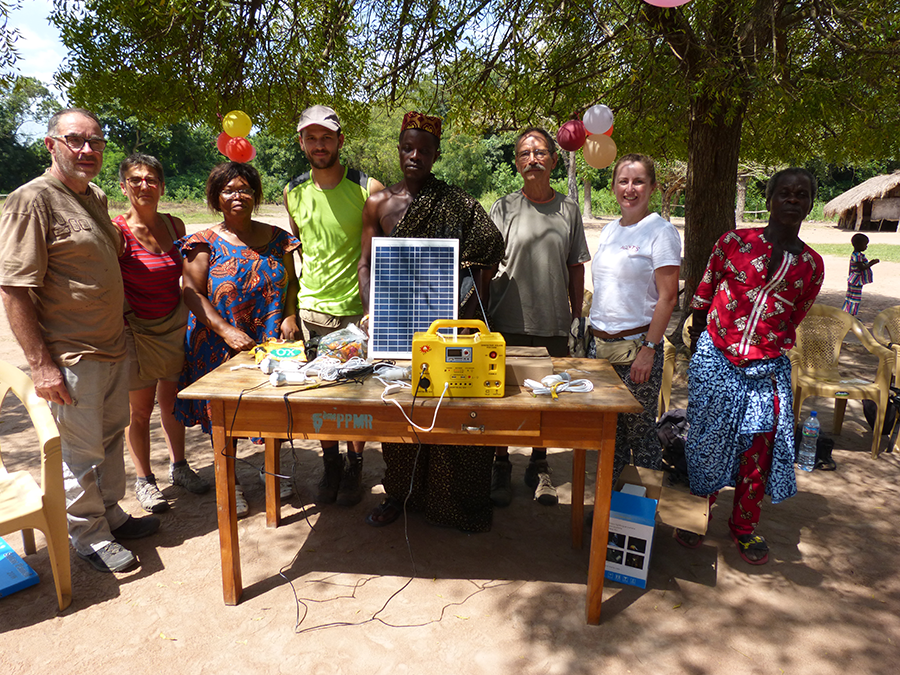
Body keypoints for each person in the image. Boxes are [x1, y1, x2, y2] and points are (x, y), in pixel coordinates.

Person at [0, 108, 160, 574]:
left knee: (110, 439)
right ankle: (88, 535)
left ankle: (109, 512)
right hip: (71, 356)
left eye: (95, 141)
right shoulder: (32, 201)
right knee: (78, 450)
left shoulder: (94, 196)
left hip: (112, 346)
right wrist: (41, 365)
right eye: (75, 140)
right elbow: (14, 287)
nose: (87, 150)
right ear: (52, 145)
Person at [358, 111, 505, 531]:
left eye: (424, 150)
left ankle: (453, 502)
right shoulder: (379, 203)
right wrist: (374, 310)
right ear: (398, 149)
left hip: (446, 327)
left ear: (436, 154)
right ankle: (400, 495)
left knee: (450, 411)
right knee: (401, 412)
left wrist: (464, 305)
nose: (415, 156)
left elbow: (489, 247)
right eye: (408, 147)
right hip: (397, 327)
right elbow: (366, 264)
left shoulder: (456, 202)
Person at [678, 168, 824, 565]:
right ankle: (694, 518)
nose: (793, 200)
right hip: (716, 359)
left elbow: (793, 318)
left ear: (810, 202)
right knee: (706, 443)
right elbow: (703, 294)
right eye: (785, 193)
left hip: (767, 371)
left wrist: (762, 348)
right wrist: (701, 353)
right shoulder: (734, 242)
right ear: (770, 197)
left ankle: (743, 526)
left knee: (757, 451)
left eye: (802, 194)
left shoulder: (811, 265)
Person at [175, 162, 300, 518]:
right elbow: (191, 292)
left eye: (244, 189)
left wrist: (289, 314)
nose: (237, 196)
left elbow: (292, 284)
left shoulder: (279, 240)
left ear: (256, 194)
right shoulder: (203, 242)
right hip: (218, 341)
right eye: (228, 190)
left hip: (270, 337)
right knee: (224, 415)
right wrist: (225, 330)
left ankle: (272, 469)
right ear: (216, 198)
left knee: (273, 407)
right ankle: (229, 479)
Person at [284, 105, 385, 507]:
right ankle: (331, 464)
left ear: (340, 140)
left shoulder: (368, 187)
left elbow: (383, 250)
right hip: (314, 312)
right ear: (302, 143)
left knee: (357, 396)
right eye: (311, 137)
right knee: (323, 396)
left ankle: (355, 464)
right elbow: (301, 249)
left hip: (358, 312)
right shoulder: (292, 191)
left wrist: (377, 306)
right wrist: (291, 310)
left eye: (327, 137)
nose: (319, 144)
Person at [487, 127, 591, 507]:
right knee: (503, 399)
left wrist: (576, 315)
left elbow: (576, 266)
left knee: (546, 400)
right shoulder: (503, 208)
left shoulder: (569, 210)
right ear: (517, 163)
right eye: (524, 153)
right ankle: (502, 466)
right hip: (507, 321)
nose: (533, 159)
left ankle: (539, 464)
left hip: (552, 323)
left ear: (552, 159)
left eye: (540, 152)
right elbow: (486, 265)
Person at [115, 154, 209, 514]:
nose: (144, 185)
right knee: (139, 411)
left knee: (172, 403)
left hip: (173, 326)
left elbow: (188, 278)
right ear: (123, 186)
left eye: (151, 179)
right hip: (135, 331)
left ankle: (180, 467)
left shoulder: (175, 225)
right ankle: (145, 480)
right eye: (136, 179)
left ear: (162, 186)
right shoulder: (117, 231)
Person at [587, 153, 681, 486]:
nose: (630, 189)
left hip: (636, 352)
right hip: (600, 351)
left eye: (638, 181)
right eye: (623, 181)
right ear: (613, 186)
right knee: (607, 437)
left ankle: (639, 525)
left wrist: (649, 349)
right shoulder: (610, 230)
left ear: (652, 187)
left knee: (640, 438)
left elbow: (668, 297)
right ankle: (607, 516)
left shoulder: (661, 232)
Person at [842, 233, 878, 316]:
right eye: (865, 244)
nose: (866, 247)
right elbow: (861, 267)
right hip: (856, 280)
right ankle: (851, 315)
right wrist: (871, 264)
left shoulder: (855, 254)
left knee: (850, 297)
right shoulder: (857, 256)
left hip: (853, 279)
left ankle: (847, 313)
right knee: (854, 298)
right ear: (858, 245)